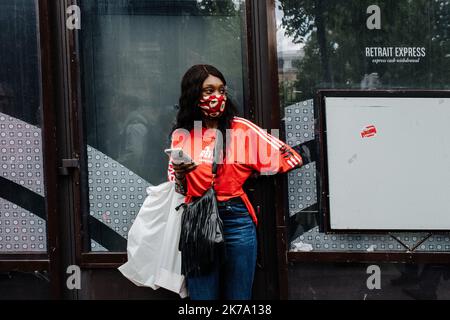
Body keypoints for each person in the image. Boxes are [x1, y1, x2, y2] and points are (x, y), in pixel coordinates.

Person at [167, 64, 304, 300]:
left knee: (239, 299)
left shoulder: (241, 129)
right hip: (197, 220)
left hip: (236, 220)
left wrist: (252, 171)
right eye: (208, 90)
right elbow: (179, 188)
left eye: (221, 90)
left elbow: (291, 158)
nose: (216, 97)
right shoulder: (183, 135)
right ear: (193, 94)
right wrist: (181, 173)